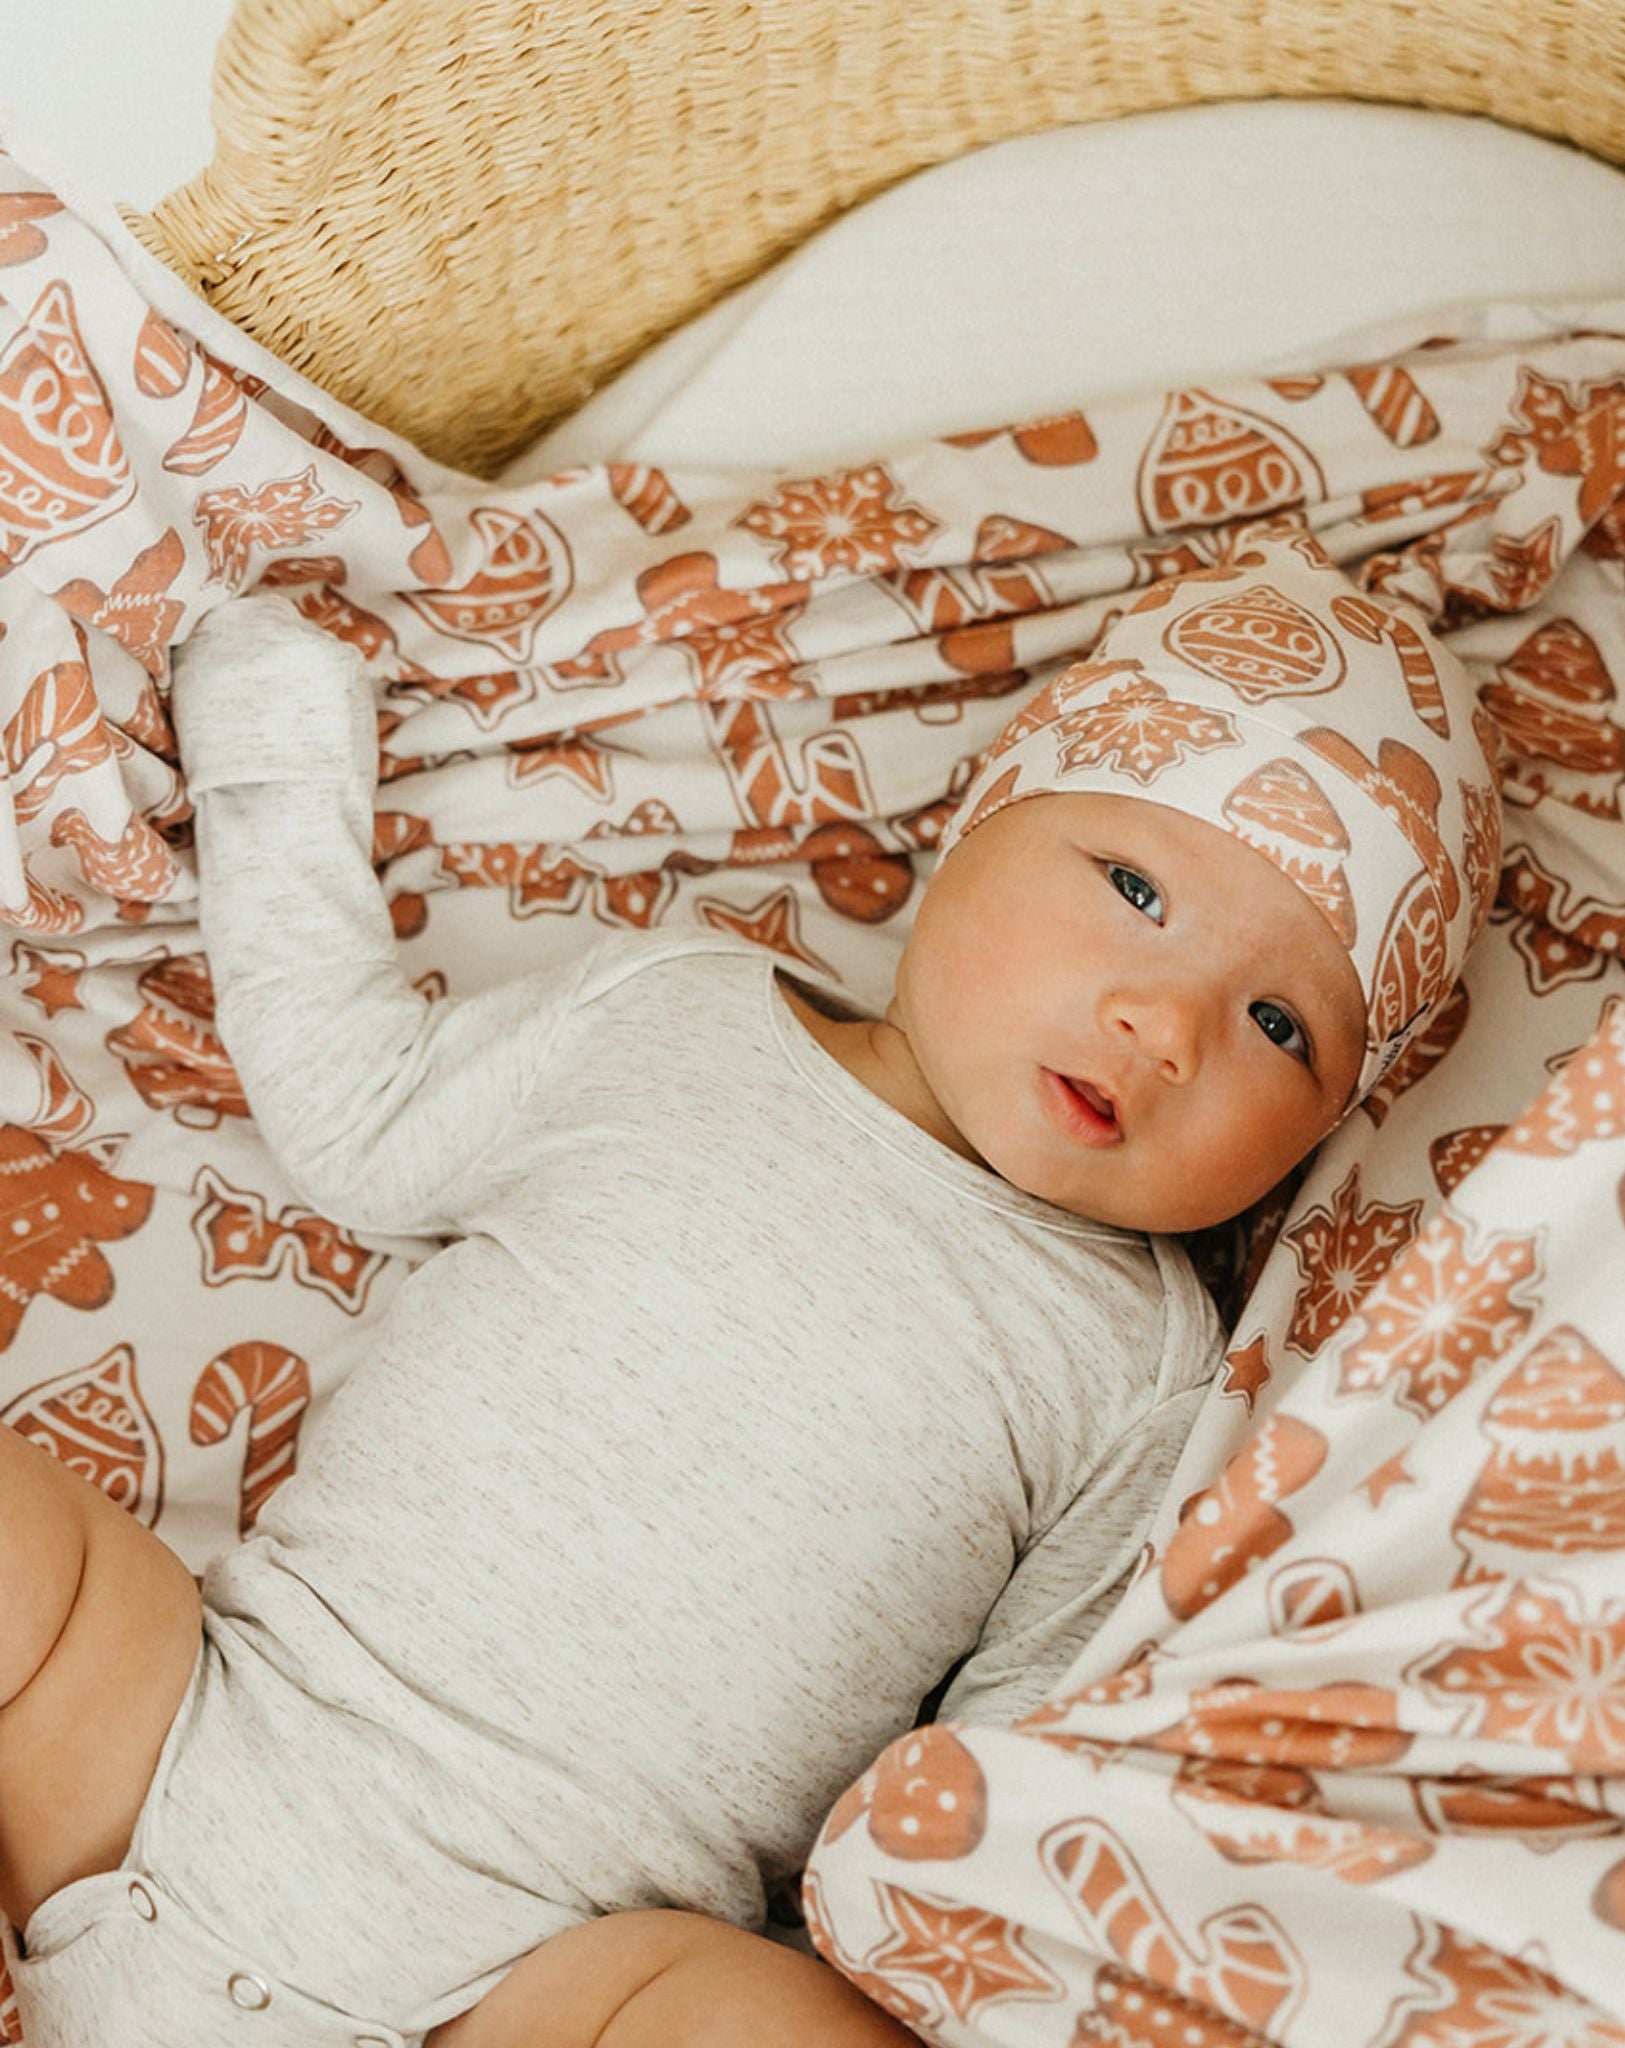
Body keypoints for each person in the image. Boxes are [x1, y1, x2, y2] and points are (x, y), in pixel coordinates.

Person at [0, 522, 1499, 2048]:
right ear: (985, 815)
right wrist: (267, 763)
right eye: (1132, 882)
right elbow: (360, 1113)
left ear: (1320, 1135)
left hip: (551, 1982)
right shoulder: (681, 1010)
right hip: (178, 1756)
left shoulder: (1144, 1361)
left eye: (1278, 1024)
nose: (1165, 1023)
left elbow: (1011, 1755)